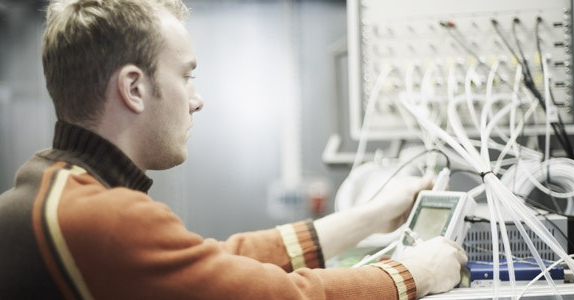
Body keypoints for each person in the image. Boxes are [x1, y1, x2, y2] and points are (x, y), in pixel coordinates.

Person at [0, 0, 467, 299]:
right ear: (134, 88)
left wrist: (368, 216)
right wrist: (413, 274)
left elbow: (218, 262)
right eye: (186, 75)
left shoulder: (52, 191)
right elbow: (276, 297)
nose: (197, 98)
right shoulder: (100, 217)